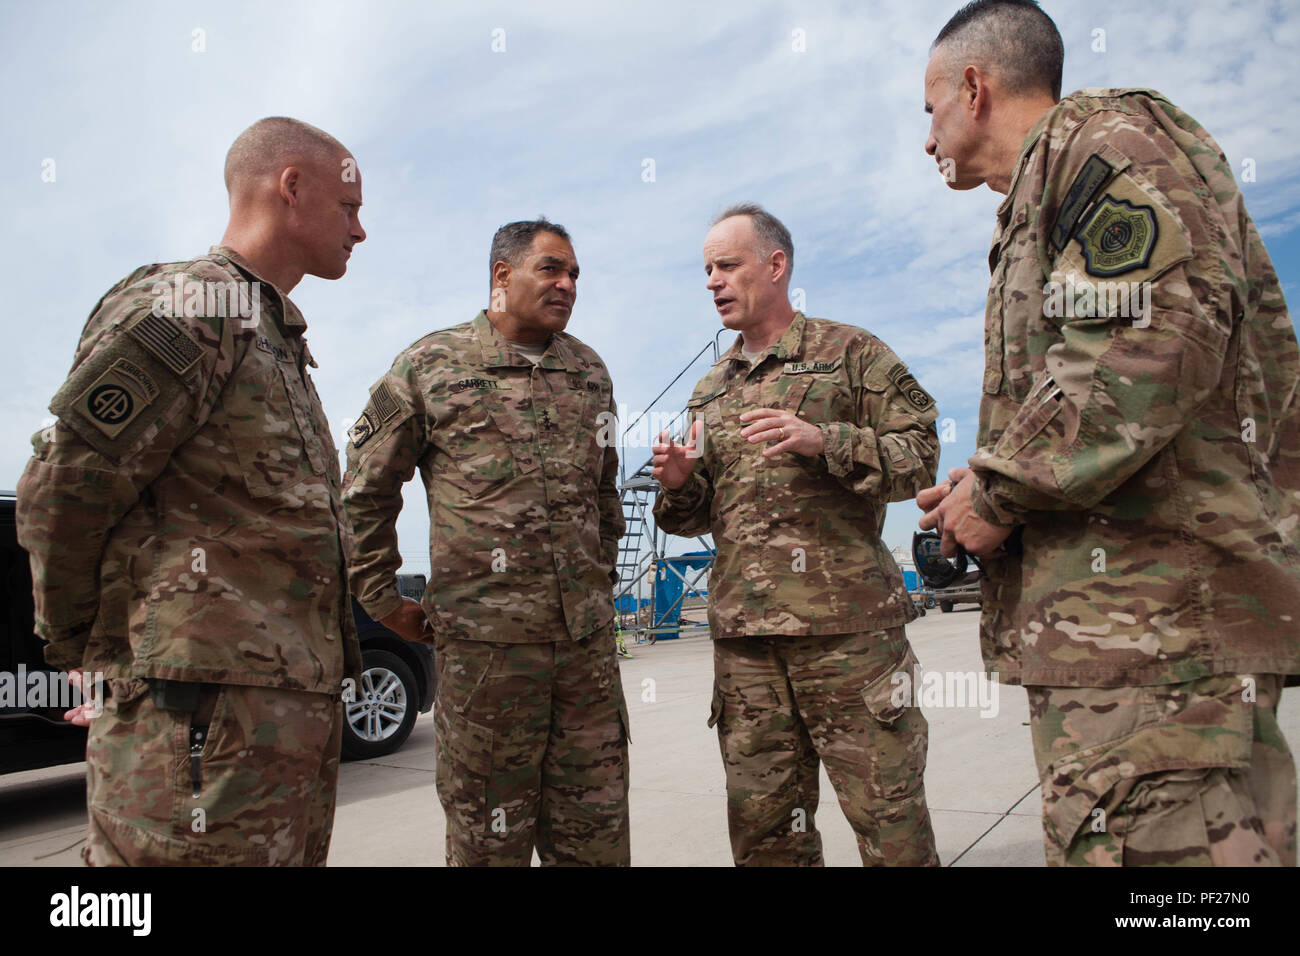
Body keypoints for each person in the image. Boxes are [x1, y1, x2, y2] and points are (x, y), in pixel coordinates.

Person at [917, 0, 1299, 866]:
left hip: (1157, 642)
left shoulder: (1106, 144)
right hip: (1122, 644)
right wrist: (982, 483)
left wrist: (1002, 487)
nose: (926, 139)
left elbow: (1150, 336)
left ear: (974, 87)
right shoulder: (1043, 193)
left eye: (929, 110)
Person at [16, 116, 366, 866]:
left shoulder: (274, 334)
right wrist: (83, 646)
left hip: (274, 729)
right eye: (349, 208)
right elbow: (69, 482)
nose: (359, 231)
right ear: (292, 187)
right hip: (196, 725)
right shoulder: (198, 305)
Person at [653, 203, 941, 866]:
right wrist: (678, 485)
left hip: (848, 640)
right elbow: (696, 516)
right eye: (706, 270)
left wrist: (826, 440)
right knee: (764, 837)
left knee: (889, 822)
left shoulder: (850, 354)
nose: (712, 281)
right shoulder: (709, 390)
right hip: (748, 652)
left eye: (727, 265)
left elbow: (920, 454)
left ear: (775, 266)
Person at [342, 218, 630, 866]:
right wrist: (383, 600)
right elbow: (364, 491)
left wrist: (598, 582)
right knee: (487, 845)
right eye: (552, 269)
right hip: (487, 663)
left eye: (575, 273)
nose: (568, 285)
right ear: (503, 276)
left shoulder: (590, 372)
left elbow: (605, 493)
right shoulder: (430, 367)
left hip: (585, 659)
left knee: (600, 839)